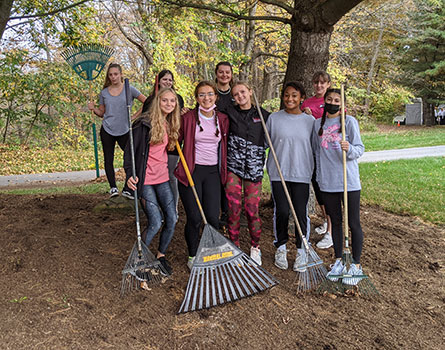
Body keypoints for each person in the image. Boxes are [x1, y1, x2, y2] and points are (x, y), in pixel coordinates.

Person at [124, 87, 181, 275]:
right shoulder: (143, 123)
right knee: (155, 221)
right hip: (146, 179)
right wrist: (130, 174)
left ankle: (160, 256)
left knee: (172, 218)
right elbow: (129, 152)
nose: (169, 104)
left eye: (172, 101)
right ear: (158, 101)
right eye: (165, 100)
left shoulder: (170, 123)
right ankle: (137, 260)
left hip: (163, 177)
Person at [312, 88, 365, 285]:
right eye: (329, 99)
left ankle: (356, 265)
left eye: (336, 100)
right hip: (328, 182)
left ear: (342, 104)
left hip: (348, 182)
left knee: (353, 222)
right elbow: (316, 152)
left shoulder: (349, 122)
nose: (332, 102)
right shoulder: (317, 124)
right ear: (324, 101)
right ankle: (338, 261)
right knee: (335, 221)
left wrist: (349, 148)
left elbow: (360, 149)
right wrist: (319, 178)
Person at [175, 81, 229, 270]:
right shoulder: (188, 118)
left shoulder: (222, 119)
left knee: (213, 218)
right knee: (195, 217)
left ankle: (209, 252)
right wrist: (172, 127)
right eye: (201, 95)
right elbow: (173, 143)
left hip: (213, 172)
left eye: (209, 94)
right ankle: (192, 255)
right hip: (192, 172)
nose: (206, 98)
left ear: (216, 96)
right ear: (196, 98)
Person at [266, 81, 315, 272]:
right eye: (286, 95)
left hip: (302, 173)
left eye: (294, 95)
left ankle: (302, 250)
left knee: (300, 213)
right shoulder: (273, 118)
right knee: (283, 211)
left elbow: (316, 147)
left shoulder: (309, 121)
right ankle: (281, 246)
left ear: (302, 98)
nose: (290, 99)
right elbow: (265, 142)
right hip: (279, 173)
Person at [221, 81, 270, 266]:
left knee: (251, 210)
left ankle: (255, 247)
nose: (240, 96)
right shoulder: (229, 112)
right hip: (234, 168)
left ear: (250, 91)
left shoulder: (263, 115)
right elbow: (207, 109)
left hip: (254, 169)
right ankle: (234, 246)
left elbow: (278, 128)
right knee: (233, 210)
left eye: (243, 92)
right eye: (236, 94)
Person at [88, 63, 146, 198]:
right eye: (110, 75)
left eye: (115, 74)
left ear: (120, 74)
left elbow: (146, 101)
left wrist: (134, 116)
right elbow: (102, 113)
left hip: (125, 129)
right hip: (107, 129)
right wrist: (93, 108)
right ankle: (113, 187)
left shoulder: (129, 89)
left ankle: (128, 188)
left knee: (131, 159)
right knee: (109, 159)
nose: (113, 77)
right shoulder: (104, 92)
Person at [140, 69, 189, 212]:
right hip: (155, 142)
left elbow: (177, 117)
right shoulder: (150, 100)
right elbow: (145, 120)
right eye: (164, 79)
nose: (167, 82)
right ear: (158, 81)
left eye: (170, 80)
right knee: (155, 177)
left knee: (171, 176)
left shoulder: (178, 98)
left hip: (172, 143)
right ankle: (155, 208)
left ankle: (172, 207)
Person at [301, 71, 333, 250]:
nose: (319, 86)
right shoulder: (307, 103)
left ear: (328, 84)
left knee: (326, 191)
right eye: (316, 83)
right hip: (311, 153)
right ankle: (326, 223)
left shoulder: (332, 101)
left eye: (323, 83)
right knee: (319, 192)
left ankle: (331, 231)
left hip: (326, 155)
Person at [215, 62, 235, 228]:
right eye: (221, 72)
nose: (224, 75)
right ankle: (216, 213)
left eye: (227, 72)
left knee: (229, 177)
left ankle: (229, 214)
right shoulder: (211, 93)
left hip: (232, 140)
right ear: (216, 74)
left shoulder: (235, 94)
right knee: (217, 176)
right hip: (214, 140)